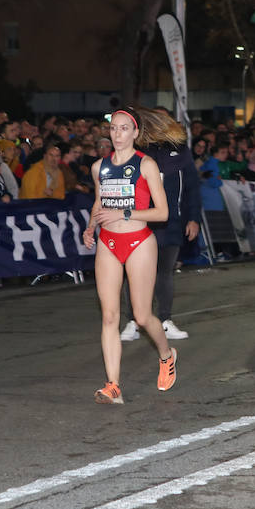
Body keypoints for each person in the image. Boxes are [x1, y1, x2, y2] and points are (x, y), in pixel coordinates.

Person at [82, 108, 177, 404]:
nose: (118, 134)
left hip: (139, 241)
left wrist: (124, 212)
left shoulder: (146, 165)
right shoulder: (99, 167)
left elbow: (162, 212)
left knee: (141, 315)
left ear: (136, 133)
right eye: (114, 129)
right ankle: (113, 386)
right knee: (109, 316)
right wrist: (91, 226)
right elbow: (100, 202)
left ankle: (166, 354)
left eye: (125, 129)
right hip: (108, 242)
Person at [121, 110, 200, 342]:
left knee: (164, 271)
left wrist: (193, 218)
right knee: (133, 273)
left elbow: (192, 187)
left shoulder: (180, 151)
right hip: (139, 221)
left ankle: (165, 320)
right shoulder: (135, 150)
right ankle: (133, 321)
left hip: (171, 221)